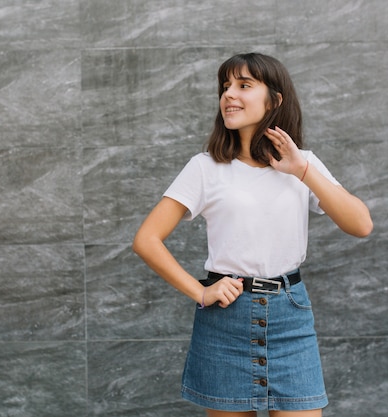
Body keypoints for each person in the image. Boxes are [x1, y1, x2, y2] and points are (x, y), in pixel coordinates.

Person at [132, 53, 373, 417]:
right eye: (225, 86)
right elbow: (146, 239)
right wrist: (200, 291)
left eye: (244, 86)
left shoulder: (303, 164)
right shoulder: (205, 167)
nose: (229, 94)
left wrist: (302, 169)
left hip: (290, 316)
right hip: (226, 319)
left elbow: (361, 225)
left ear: (274, 100)